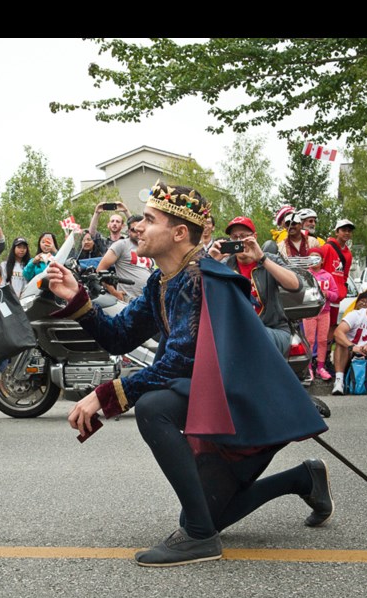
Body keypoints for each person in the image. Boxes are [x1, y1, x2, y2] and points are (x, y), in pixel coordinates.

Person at [44, 179, 330, 567]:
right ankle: (303, 479)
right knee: (210, 511)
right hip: (217, 407)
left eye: (149, 219)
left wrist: (105, 395)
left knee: (154, 408)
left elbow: (177, 364)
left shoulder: (200, 280)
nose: (137, 227)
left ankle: (199, 538)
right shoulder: (164, 281)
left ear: (179, 232)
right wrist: (77, 298)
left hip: (242, 413)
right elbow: (119, 336)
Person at [212, 216, 303, 358]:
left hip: (273, 329)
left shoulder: (269, 260)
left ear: (254, 237)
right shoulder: (225, 265)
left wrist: (262, 259)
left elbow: (296, 285)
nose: (239, 241)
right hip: (236, 333)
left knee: (249, 334)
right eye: (234, 237)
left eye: (243, 236)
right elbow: (197, 296)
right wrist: (209, 262)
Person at [320, 218, 356, 368]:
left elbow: (345, 274)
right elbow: (318, 267)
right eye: (343, 230)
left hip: (337, 296)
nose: (346, 233)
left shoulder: (348, 254)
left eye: (349, 230)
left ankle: (327, 355)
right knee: (322, 326)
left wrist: (343, 289)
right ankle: (318, 357)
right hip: (324, 295)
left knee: (332, 326)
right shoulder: (327, 248)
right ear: (337, 232)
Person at [97, 214, 156, 302]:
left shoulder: (148, 247)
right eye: (134, 230)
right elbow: (100, 270)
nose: (138, 232)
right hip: (129, 300)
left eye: (141, 229)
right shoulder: (121, 244)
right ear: (128, 231)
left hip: (149, 299)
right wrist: (114, 292)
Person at [303, 247, 340, 381]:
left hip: (324, 312)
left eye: (317, 258)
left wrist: (327, 293)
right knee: (309, 340)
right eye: (311, 258)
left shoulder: (328, 276)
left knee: (323, 340)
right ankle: (308, 368)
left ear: (322, 260)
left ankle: (320, 367)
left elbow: (336, 295)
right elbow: (299, 292)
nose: (314, 261)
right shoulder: (304, 275)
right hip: (309, 312)